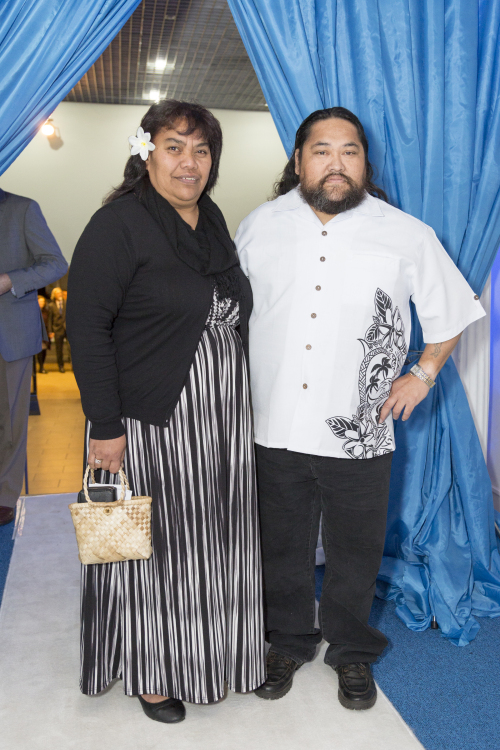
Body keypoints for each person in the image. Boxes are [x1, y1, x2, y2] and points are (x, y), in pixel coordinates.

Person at [235, 106, 485, 710]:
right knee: (281, 544)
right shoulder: (259, 225)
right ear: (299, 160)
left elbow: (452, 311)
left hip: (360, 429)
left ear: (365, 162)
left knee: (355, 550)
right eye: (322, 150)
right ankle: (288, 640)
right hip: (271, 420)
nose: (336, 163)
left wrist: (422, 374)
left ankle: (351, 651)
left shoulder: (405, 232)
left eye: (349, 151)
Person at [67, 100, 264, 723]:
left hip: (221, 419)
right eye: (174, 147)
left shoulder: (212, 220)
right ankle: (153, 670)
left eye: (202, 150)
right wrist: (104, 426)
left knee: (215, 539)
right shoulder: (117, 224)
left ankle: (214, 651)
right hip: (150, 420)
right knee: (153, 545)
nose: (189, 162)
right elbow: (86, 328)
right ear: (145, 152)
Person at [0, 188, 67, 525]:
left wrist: (10, 280)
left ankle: (4, 495)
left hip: (10, 334)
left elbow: (56, 263)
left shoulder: (23, 209)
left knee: (9, 421)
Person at [48, 286, 67, 372]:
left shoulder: (66, 303)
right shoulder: (51, 305)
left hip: (67, 329)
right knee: (59, 349)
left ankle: (73, 365)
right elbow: (50, 319)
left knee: (71, 348)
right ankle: (61, 366)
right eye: (58, 293)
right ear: (54, 295)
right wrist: (50, 331)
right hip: (57, 330)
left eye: (60, 293)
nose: (60, 294)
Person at [37, 294, 50, 373]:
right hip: (37, 334)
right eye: (40, 301)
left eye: (43, 302)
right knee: (40, 351)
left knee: (44, 351)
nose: (42, 303)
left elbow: (49, 322)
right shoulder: (33, 311)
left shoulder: (46, 311)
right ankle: (41, 367)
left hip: (44, 333)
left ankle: (42, 366)